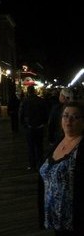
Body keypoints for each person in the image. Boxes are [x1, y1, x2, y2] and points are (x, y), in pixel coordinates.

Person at [39, 101, 84, 235]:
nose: (68, 121)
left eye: (75, 117)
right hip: (56, 219)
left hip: (75, 221)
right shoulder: (59, 141)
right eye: (65, 116)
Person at [19, 85, 49, 171]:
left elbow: (21, 114)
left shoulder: (25, 101)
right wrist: (44, 123)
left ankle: (32, 165)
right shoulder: (41, 100)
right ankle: (40, 164)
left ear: (28, 92)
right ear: (34, 91)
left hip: (29, 127)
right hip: (39, 126)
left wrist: (24, 125)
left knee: (30, 147)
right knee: (39, 146)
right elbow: (46, 113)